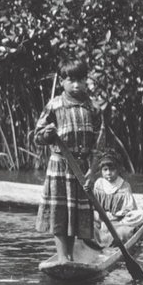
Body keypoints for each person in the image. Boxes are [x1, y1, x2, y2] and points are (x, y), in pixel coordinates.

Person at [33, 58, 101, 263]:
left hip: (82, 169)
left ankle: (71, 257)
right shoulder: (54, 105)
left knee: (75, 213)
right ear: (62, 81)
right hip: (60, 166)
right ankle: (63, 258)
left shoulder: (93, 108)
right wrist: (47, 134)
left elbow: (99, 143)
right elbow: (37, 137)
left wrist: (93, 170)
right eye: (71, 80)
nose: (76, 85)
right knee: (61, 213)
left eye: (81, 80)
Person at [91, 154, 143, 247]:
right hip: (102, 217)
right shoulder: (99, 183)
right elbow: (95, 203)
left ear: (118, 170)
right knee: (90, 216)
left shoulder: (124, 185)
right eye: (105, 170)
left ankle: (116, 230)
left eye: (112, 169)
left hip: (119, 218)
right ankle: (100, 235)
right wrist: (101, 214)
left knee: (142, 215)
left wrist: (115, 215)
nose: (108, 173)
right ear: (101, 171)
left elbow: (129, 207)